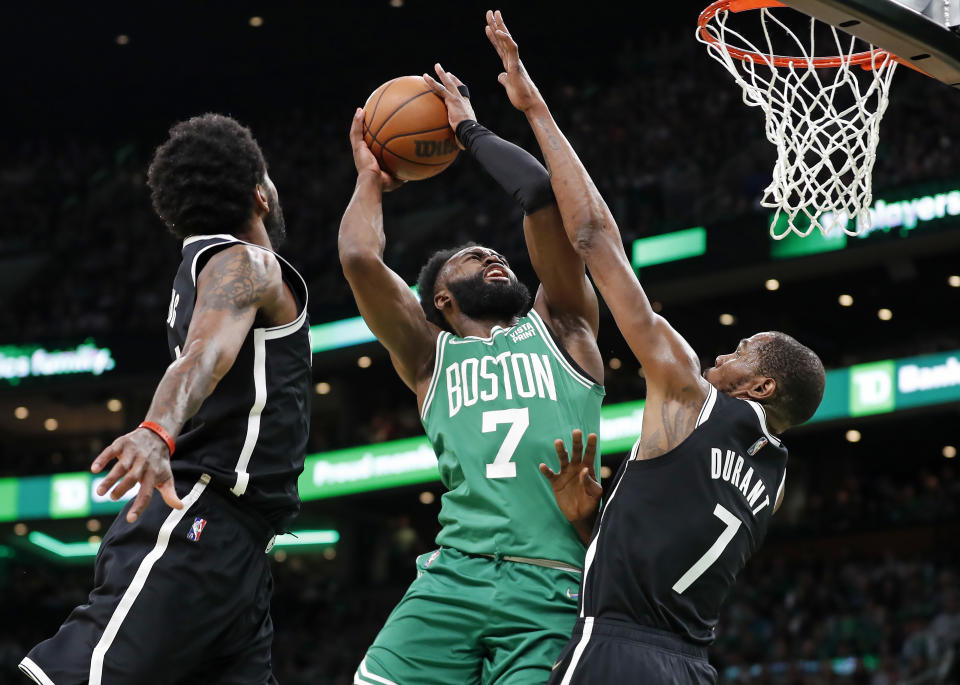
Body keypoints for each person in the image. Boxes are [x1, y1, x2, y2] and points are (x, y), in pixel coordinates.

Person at [482, 10, 826, 684]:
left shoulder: (688, 391)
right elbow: (672, 551)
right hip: (690, 668)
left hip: (615, 651)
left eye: (743, 349)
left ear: (760, 386)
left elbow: (595, 239)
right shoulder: (773, 479)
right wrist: (595, 523)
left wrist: (534, 106)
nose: (724, 353)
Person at [19, 114, 311, 685]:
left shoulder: (204, 269)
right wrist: (156, 430)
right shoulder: (243, 264)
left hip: (242, 545)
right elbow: (202, 355)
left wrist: (373, 184)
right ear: (259, 194)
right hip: (198, 515)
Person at [340, 66, 605, 685]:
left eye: (496, 254)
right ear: (441, 303)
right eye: (469, 259)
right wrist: (370, 181)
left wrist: (469, 129)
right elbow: (357, 256)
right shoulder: (429, 358)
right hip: (454, 576)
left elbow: (539, 192)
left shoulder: (563, 326)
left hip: (553, 580)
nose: (492, 255)